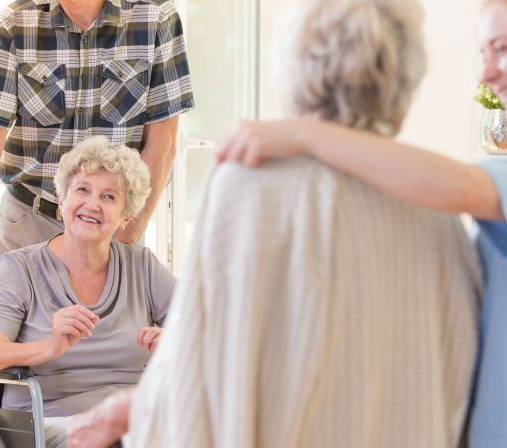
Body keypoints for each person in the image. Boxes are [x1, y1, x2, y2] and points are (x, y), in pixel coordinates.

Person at [64, 0, 482, 446]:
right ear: (406, 77)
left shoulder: (248, 187)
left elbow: (195, 376)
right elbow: (459, 378)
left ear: (295, 67)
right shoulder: (437, 207)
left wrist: (126, 412)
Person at [217, 0, 507, 446]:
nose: (487, 74)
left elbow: (465, 187)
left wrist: (305, 133)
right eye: (483, 54)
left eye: (501, 48)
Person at [0, 0, 195, 285]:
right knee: (24, 330)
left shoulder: (155, 17)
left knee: (108, 329)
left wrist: (122, 243)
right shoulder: (15, 21)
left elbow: (162, 145)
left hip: (112, 224)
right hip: (31, 221)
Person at [0, 136, 174, 448]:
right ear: (62, 200)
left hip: (131, 419)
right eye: (82, 190)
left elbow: (204, 326)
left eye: (109, 197)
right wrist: (48, 347)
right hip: (51, 421)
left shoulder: (141, 266)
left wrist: (175, 342)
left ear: (126, 217)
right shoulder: (21, 269)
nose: (92, 204)